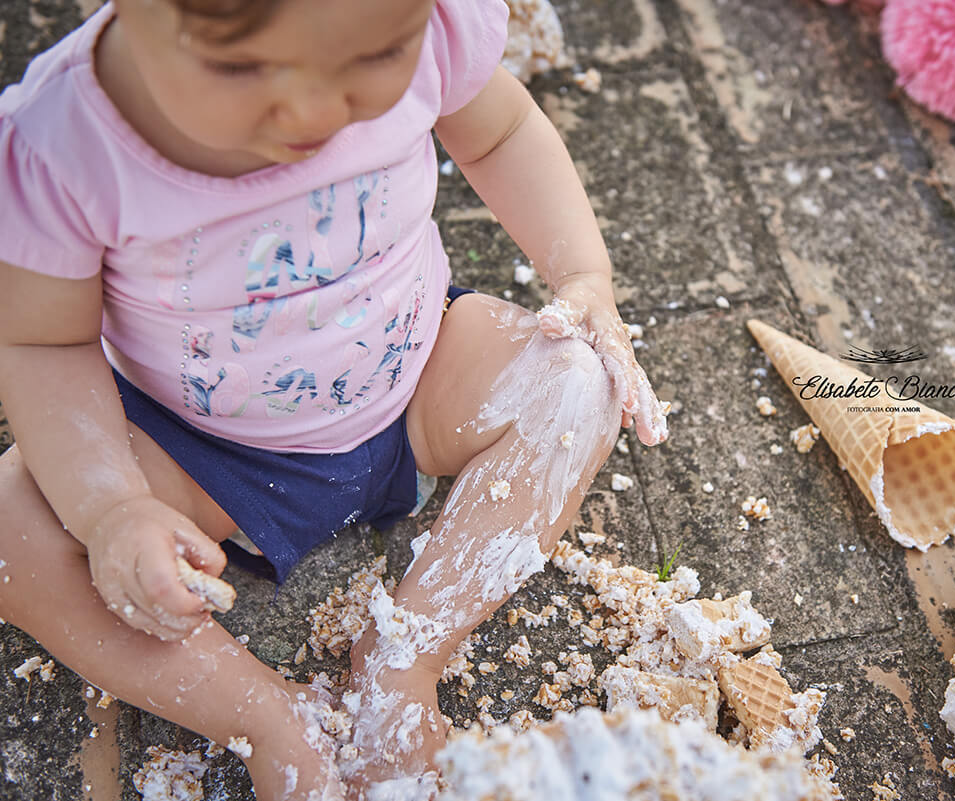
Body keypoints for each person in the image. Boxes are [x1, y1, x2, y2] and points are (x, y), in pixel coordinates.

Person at [0, 0, 667, 798]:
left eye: (376, 56)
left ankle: (404, 656)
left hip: (414, 379)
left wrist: (584, 278)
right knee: (18, 533)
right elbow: (45, 341)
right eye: (242, 67)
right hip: (203, 452)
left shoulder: (434, 29)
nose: (320, 112)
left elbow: (503, 132)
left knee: (575, 379)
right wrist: (109, 506)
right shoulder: (64, 146)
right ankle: (272, 721)